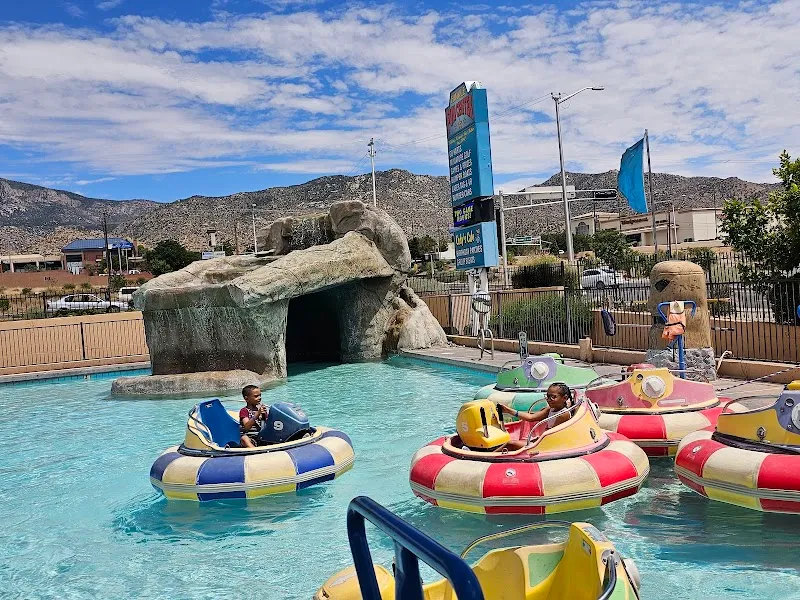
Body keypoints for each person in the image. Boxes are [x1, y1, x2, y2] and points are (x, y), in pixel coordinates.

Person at [498, 383, 575, 451]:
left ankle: (488, 458)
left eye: (553, 397)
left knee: (511, 444)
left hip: (549, 445)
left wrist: (536, 441)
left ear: (564, 398)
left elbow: (551, 435)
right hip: (543, 441)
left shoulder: (563, 414)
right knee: (509, 442)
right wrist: (509, 411)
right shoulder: (551, 409)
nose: (549, 400)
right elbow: (531, 417)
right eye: (547, 396)